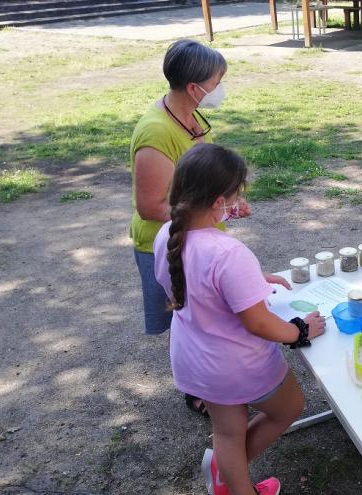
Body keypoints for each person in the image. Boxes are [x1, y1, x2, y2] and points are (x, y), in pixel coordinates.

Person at [153, 144, 326, 495]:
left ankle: (231, 484)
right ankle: (235, 482)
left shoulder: (167, 234)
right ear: (218, 200)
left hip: (195, 358)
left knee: (228, 434)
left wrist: (250, 278)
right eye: (233, 198)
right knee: (289, 406)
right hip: (236, 364)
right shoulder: (229, 253)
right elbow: (259, 323)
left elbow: (200, 280)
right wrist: (299, 330)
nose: (235, 203)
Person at [130, 39, 243, 415]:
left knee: (209, 317)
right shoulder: (156, 132)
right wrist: (211, 212)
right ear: (194, 87)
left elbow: (197, 183)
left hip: (199, 235)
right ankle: (198, 390)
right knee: (192, 321)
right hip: (173, 241)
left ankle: (217, 382)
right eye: (218, 80)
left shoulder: (193, 118)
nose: (221, 87)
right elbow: (150, 206)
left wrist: (222, 202)